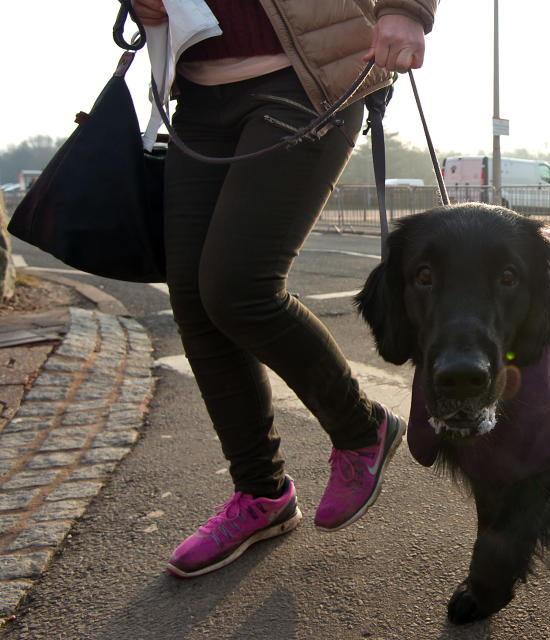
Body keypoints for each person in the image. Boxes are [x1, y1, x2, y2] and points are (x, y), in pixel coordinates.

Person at [130, 0, 438, 579]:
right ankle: (261, 494)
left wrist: (407, 9)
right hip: (195, 90)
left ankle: (359, 426)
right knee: (195, 302)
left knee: (238, 287)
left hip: (308, 73)